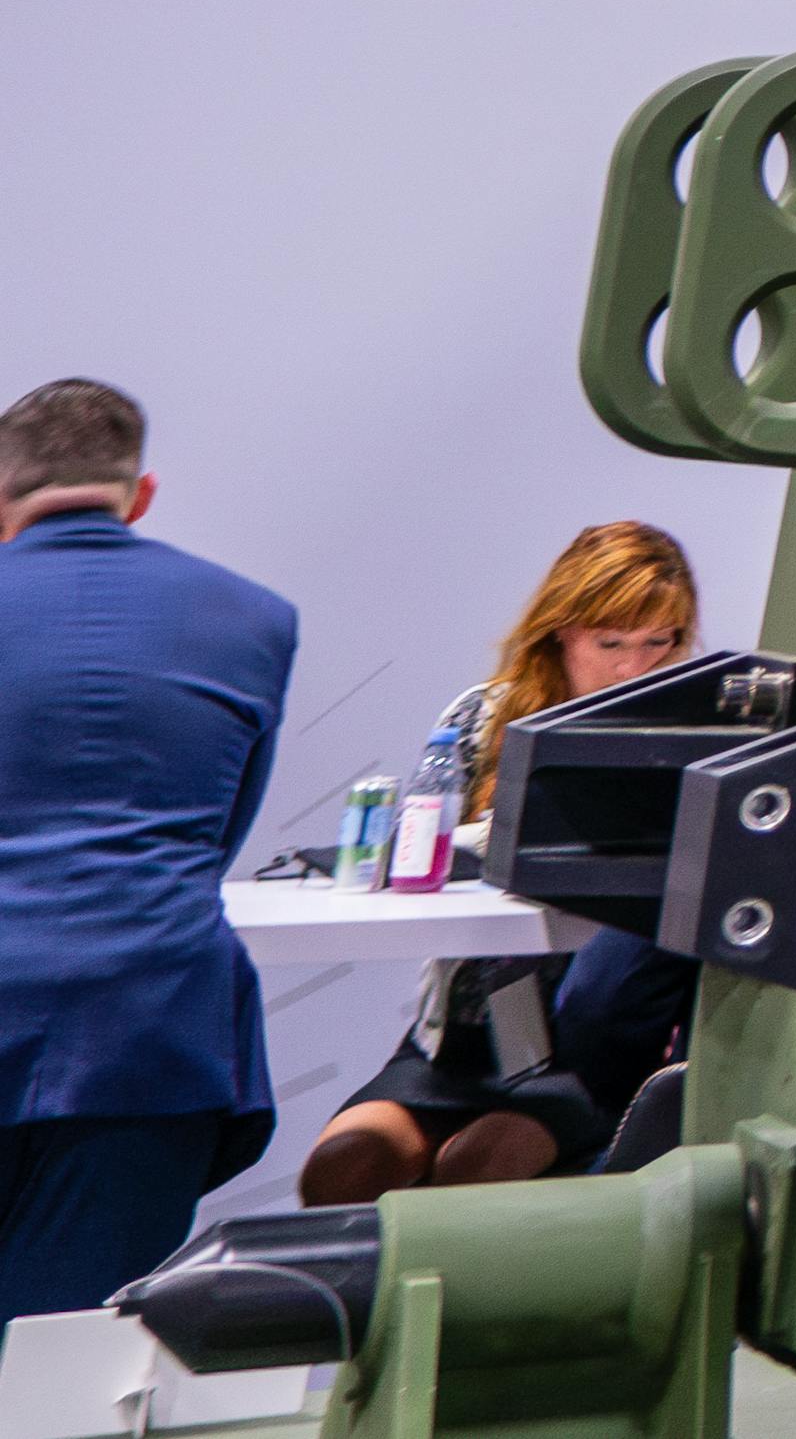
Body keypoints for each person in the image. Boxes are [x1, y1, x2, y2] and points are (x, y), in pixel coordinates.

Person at [0, 380, 295, 1319]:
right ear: (143, 491)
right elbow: (217, 837)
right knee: (75, 1363)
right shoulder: (256, 618)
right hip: (151, 1036)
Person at [299, 528, 701, 1202]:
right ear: (561, 633)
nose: (635, 667)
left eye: (659, 642)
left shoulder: (699, 734)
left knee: (475, 1175)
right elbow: (422, 852)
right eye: (612, 643)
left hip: (584, 1054)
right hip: (462, 1031)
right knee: (342, 1169)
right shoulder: (482, 718)